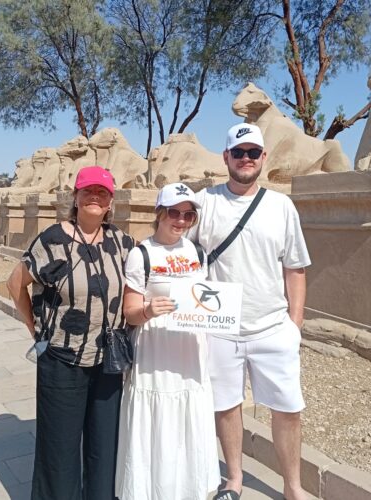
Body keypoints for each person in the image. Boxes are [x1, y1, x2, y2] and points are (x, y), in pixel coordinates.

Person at [187, 124, 311, 500]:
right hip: (220, 327)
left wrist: (295, 325)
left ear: (263, 157)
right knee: (226, 407)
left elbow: (295, 268)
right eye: (238, 152)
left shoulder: (281, 206)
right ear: (225, 156)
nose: (245, 159)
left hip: (272, 326)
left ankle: (293, 486)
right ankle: (234, 479)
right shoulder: (203, 203)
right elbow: (180, 254)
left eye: (253, 152)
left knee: (287, 410)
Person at [7, 166, 135, 500]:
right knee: (59, 449)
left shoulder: (122, 243)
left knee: (104, 445)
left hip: (108, 362)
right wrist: (34, 327)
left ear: (110, 201)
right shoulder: (53, 239)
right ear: (76, 197)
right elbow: (15, 283)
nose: (95, 197)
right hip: (62, 359)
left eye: (102, 192)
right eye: (88, 191)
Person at [115, 183, 220, 500]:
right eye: (174, 212)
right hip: (155, 350)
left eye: (189, 215)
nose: (181, 220)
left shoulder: (197, 253)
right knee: (157, 421)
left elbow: (206, 301)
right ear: (159, 213)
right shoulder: (141, 254)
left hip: (189, 348)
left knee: (188, 418)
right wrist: (148, 310)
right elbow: (130, 312)